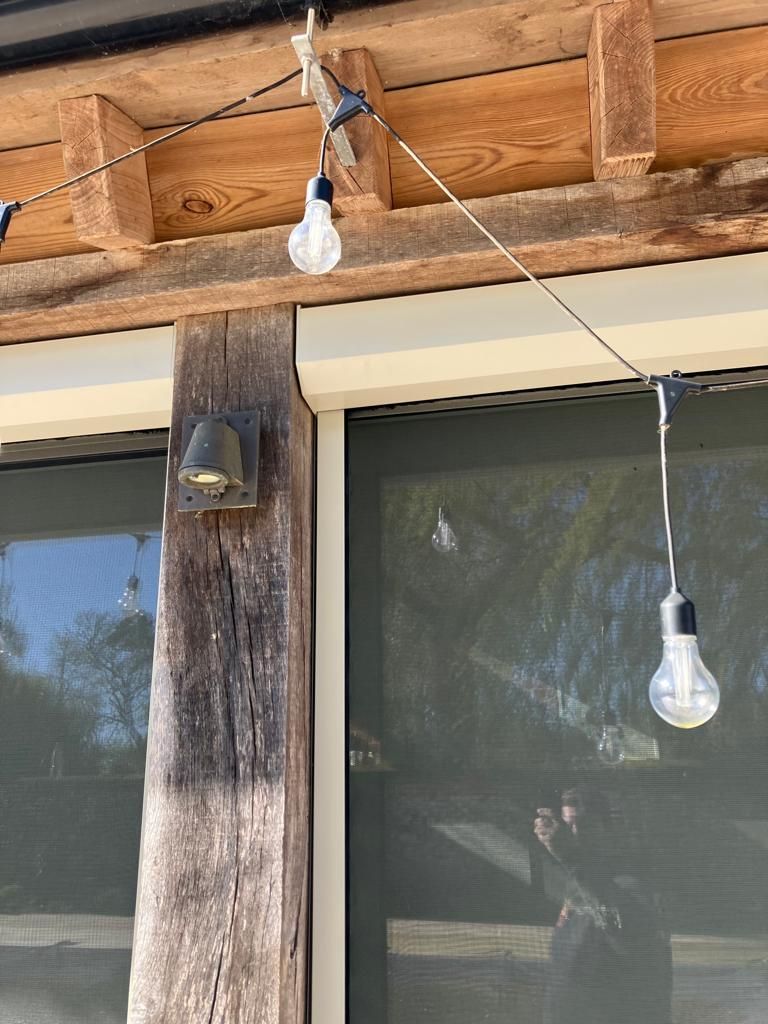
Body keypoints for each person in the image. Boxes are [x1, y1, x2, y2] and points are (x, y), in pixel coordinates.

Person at [534, 786, 672, 1024]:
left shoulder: (630, 876)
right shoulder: (577, 879)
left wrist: (571, 858)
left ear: (606, 828)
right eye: (568, 826)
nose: (574, 834)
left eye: (585, 825)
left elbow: (625, 934)